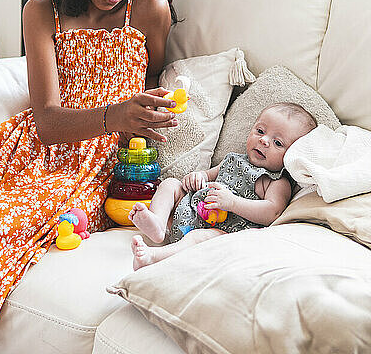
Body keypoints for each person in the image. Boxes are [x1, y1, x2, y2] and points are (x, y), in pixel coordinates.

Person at [0, 0, 179, 330]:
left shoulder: (148, 9)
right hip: (34, 147)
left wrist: (138, 115)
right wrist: (116, 114)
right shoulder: (40, 12)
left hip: (91, 166)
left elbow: (155, 73)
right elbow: (46, 122)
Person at [130, 102, 317, 270]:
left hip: (223, 229)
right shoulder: (232, 159)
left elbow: (273, 213)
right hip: (191, 210)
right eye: (260, 131)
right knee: (170, 184)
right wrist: (197, 176)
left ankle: (154, 257)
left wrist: (233, 203)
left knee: (198, 238)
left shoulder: (276, 181)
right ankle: (158, 225)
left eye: (277, 142)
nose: (264, 140)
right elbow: (208, 175)